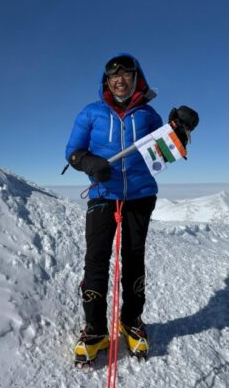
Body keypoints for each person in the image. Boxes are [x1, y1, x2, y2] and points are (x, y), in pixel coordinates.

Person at [65, 54, 163, 364]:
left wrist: (184, 127)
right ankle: (95, 330)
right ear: (106, 81)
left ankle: (131, 322)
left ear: (137, 78)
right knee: (95, 260)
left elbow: (168, 146)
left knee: (134, 259)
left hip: (140, 195)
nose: (119, 79)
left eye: (126, 74)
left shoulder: (148, 115)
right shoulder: (91, 113)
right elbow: (73, 152)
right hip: (102, 194)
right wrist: (88, 162)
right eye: (113, 76)